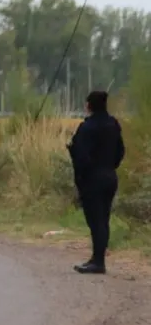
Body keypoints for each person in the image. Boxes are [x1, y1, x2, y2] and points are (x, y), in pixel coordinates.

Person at [67, 90, 125, 274]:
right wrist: (111, 166)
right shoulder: (113, 124)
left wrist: (81, 178)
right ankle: (97, 258)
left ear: (89, 105)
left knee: (95, 220)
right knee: (104, 219)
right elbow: (120, 150)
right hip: (109, 175)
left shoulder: (87, 128)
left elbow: (81, 157)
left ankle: (98, 262)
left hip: (93, 178)